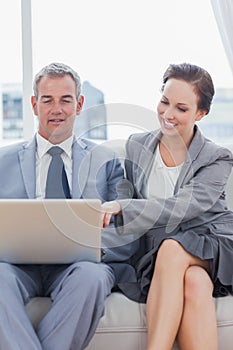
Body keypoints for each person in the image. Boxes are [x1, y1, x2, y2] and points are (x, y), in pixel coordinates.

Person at [0, 62, 133, 350]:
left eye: (66, 100)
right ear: (35, 105)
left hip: (77, 267)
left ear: (80, 104)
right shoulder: (3, 161)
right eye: (47, 100)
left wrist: (92, 243)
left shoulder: (106, 160)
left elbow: (127, 232)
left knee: (94, 277)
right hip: (14, 267)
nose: (56, 109)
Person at [102, 62, 233, 350]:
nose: (168, 114)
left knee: (174, 248)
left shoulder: (217, 157)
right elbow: (130, 215)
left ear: (201, 113)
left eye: (181, 108)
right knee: (195, 283)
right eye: (164, 102)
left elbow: (183, 206)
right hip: (163, 254)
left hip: (212, 242)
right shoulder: (137, 145)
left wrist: (123, 206)